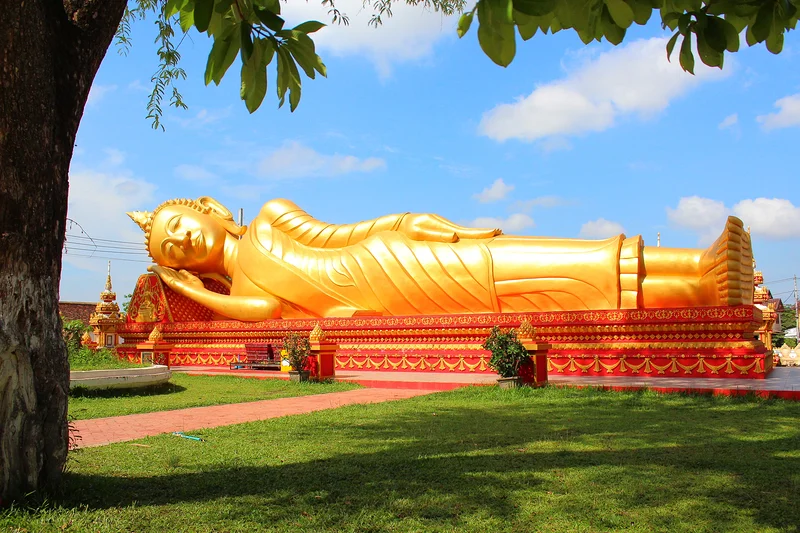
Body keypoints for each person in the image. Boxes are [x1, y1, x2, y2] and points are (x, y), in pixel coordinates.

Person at [128, 197, 753, 321]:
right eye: (171, 249)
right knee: (524, 288)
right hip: (383, 302)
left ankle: (695, 262)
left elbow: (339, 232)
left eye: (179, 226)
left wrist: (408, 220)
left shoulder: (266, 219)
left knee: (509, 257)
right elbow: (265, 309)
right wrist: (189, 289)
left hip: (390, 258)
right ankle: (699, 291)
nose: (181, 240)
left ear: (209, 208)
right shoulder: (241, 290)